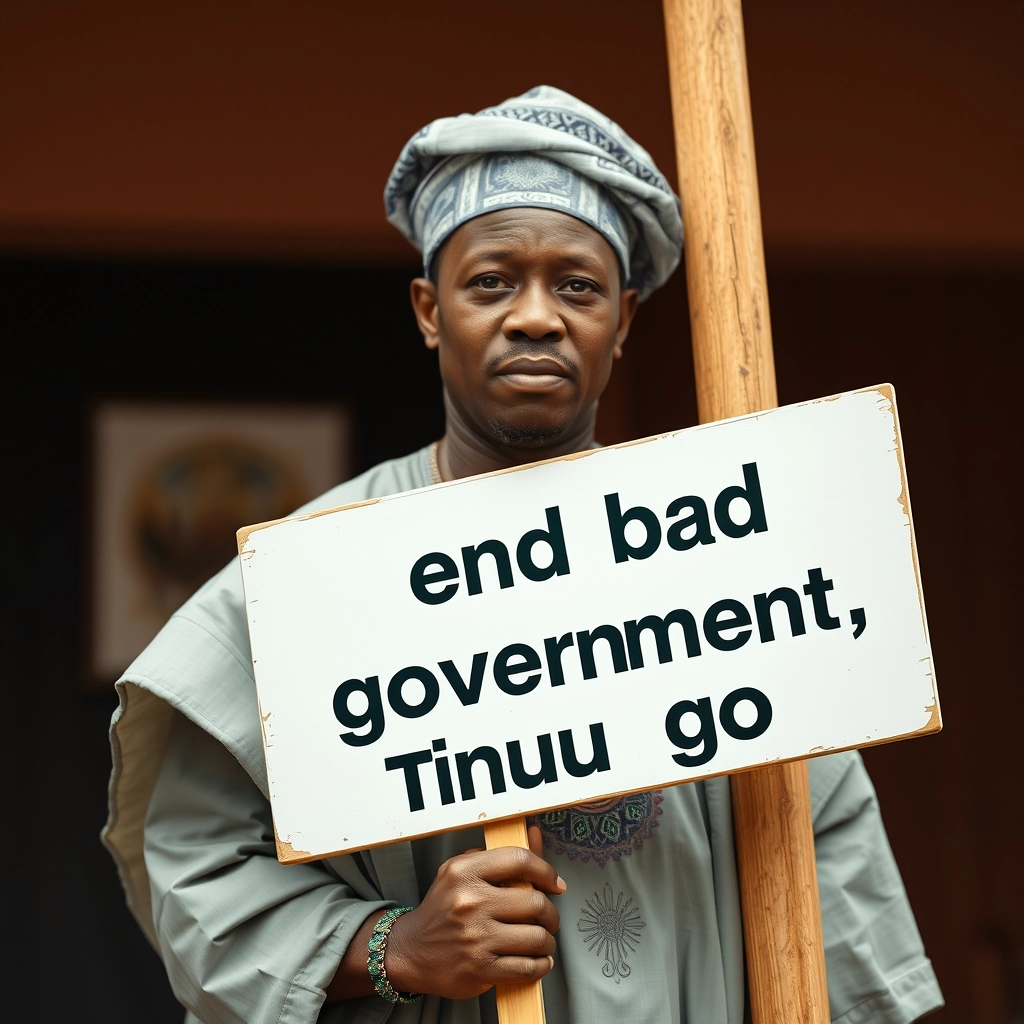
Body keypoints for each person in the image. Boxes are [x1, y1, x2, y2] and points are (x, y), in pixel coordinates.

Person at [103, 86, 943, 1024]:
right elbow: (197, 867)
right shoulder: (311, 581)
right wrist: (391, 945)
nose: (536, 316)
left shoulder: (730, 551)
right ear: (429, 310)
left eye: (576, 286)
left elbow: (827, 863)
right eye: (492, 281)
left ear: (623, 320)